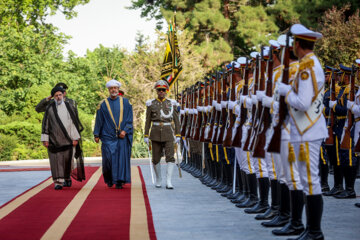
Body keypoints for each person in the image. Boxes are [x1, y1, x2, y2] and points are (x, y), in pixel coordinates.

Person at [278, 23, 327, 240]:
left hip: (308, 131)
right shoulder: (309, 64)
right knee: (307, 181)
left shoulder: (307, 68)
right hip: (304, 131)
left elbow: (303, 102)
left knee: (309, 180)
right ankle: (308, 229)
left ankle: (314, 231)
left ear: (297, 44)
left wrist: (286, 91)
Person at [41, 86, 85, 190]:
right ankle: (58, 182)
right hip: (54, 140)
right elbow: (45, 124)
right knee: (56, 162)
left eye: (60, 95)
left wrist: (75, 138)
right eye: (56, 95)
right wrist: (45, 139)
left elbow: (74, 123)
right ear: (53, 97)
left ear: (63, 95)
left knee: (67, 161)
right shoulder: (50, 108)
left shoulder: (70, 107)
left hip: (68, 140)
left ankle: (67, 178)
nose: (58, 97)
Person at [93, 79, 133, 189]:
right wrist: (96, 134)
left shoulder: (126, 102)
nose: (113, 90)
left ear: (118, 89)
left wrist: (125, 131)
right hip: (107, 136)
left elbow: (130, 119)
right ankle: (110, 179)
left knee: (120, 159)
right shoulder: (103, 104)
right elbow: (99, 120)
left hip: (122, 136)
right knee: (108, 160)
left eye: (115, 88)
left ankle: (119, 181)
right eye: (111, 88)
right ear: (108, 90)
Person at [144, 80, 181, 189]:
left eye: (163, 90)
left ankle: (168, 181)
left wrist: (178, 134)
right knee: (156, 158)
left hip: (168, 132)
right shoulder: (151, 104)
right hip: (155, 133)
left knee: (170, 157)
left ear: (166, 91)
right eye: (159, 90)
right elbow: (148, 121)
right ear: (156, 91)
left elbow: (176, 120)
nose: (161, 92)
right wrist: (146, 135)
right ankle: (159, 179)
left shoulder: (171, 103)